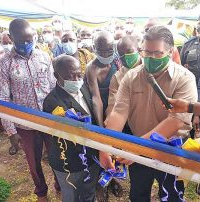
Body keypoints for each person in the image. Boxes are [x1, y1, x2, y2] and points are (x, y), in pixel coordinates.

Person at [100, 25, 198, 202]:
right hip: (137, 144)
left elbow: (176, 121)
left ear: (170, 51)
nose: (151, 58)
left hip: (170, 149)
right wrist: (107, 146)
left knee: (172, 195)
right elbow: (119, 112)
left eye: (157, 53)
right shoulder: (131, 77)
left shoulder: (185, 78)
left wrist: (137, 147)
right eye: (147, 52)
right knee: (138, 193)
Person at [0, 19, 57, 202]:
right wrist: (11, 131)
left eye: (29, 39)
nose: (26, 44)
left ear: (34, 36)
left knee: (56, 156)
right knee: (34, 162)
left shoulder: (44, 57)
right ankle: (42, 193)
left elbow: (53, 87)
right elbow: (3, 99)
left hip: (49, 119)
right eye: (21, 41)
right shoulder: (4, 64)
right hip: (25, 125)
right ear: (11, 38)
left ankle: (60, 185)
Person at [43, 55, 99, 202]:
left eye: (78, 75)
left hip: (92, 156)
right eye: (70, 76)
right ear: (56, 76)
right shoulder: (52, 102)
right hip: (69, 162)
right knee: (71, 197)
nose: (76, 80)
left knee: (89, 193)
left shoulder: (84, 87)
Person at [85, 31, 121, 201]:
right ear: (95, 48)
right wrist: (101, 129)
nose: (106, 54)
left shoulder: (118, 62)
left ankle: (113, 177)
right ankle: (101, 186)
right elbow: (96, 99)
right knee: (101, 149)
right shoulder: (91, 68)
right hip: (98, 112)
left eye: (109, 50)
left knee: (115, 148)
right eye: (102, 50)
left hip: (117, 110)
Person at [106, 35, 141, 117]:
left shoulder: (151, 69)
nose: (125, 56)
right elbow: (112, 104)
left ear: (138, 49)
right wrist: (109, 117)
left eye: (129, 51)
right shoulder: (117, 77)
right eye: (121, 54)